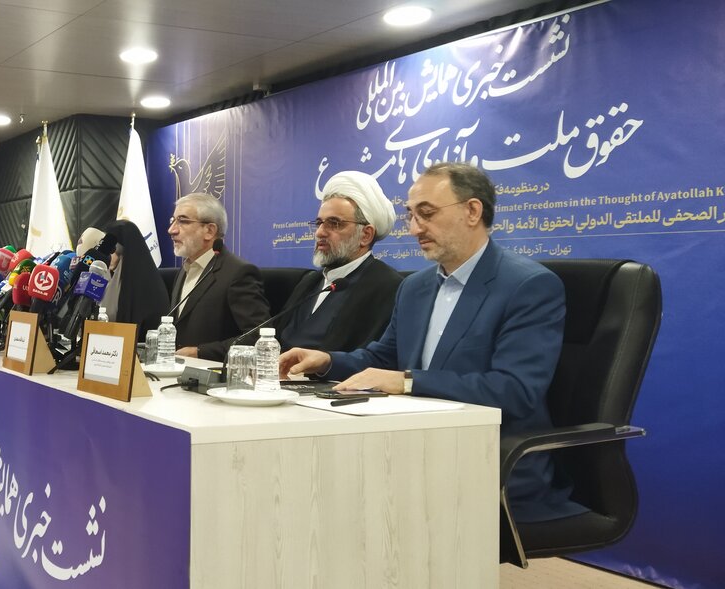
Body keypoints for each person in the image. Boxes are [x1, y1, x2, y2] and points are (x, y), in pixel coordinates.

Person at [278, 162, 584, 523]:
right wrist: (327, 361)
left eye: (426, 213)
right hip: (413, 450)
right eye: (411, 215)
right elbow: (384, 357)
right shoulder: (414, 288)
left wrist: (408, 382)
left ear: (472, 211)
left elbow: (514, 390)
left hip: (492, 464)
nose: (414, 228)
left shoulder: (528, 286)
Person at [278, 171, 402, 351]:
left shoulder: (387, 286)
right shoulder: (310, 282)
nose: (320, 232)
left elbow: (370, 358)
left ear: (366, 235)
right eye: (319, 223)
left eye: (334, 223)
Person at [166, 192, 270, 362]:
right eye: (173, 221)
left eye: (182, 221)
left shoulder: (238, 273)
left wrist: (200, 352)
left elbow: (259, 338)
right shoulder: (185, 269)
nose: (172, 230)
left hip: (215, 374)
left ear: (209, 231)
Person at [99, 219, 169, 335]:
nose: (105, 256)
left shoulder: (147, 287)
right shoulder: (108, 277)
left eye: (110, 250)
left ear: (123, 251)